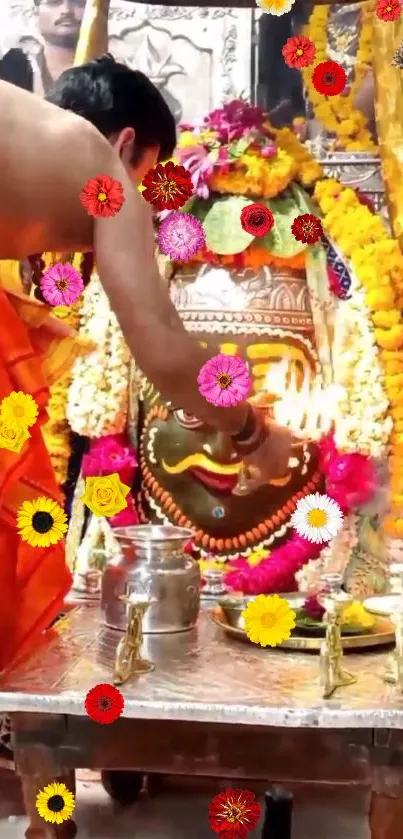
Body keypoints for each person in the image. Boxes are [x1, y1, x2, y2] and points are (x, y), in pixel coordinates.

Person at [0, 57, 292, 671]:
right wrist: (252, 433)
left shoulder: (27, 134)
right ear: (127, 143)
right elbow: (161, 347)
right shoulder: (103, 172)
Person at [26, 0, 86, 94]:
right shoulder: (9, 73)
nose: (67, 11)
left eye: (79, 1)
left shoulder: (113, 76)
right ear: (35, 12)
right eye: (54, 2)